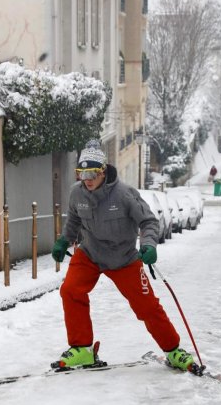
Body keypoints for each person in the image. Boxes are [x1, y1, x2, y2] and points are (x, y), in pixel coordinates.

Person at [51, 139, 195, 372]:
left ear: (103, 170)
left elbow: (148, 221)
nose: (86, 179)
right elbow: (74, 221)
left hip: (124, 258)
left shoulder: (124, 194)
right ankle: (82, 350)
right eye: (81, 172)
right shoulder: (76, 193)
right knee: (70, 290)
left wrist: (149, 245)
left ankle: (174, 350)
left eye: (91, 172)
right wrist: (63, 241)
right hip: (90, 253)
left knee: (147, 307)